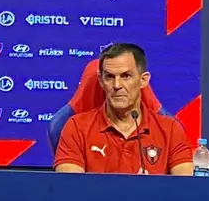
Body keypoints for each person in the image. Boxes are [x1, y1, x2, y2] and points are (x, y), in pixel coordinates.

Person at [53, 43, 193, 175]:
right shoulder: (76, 128)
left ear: (143, 80)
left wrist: (151, 190)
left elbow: (185, 190)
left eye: (126, 76)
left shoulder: (171, 130)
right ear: (101, 81)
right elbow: (71, 192)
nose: (117, 85)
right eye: (109, 77)